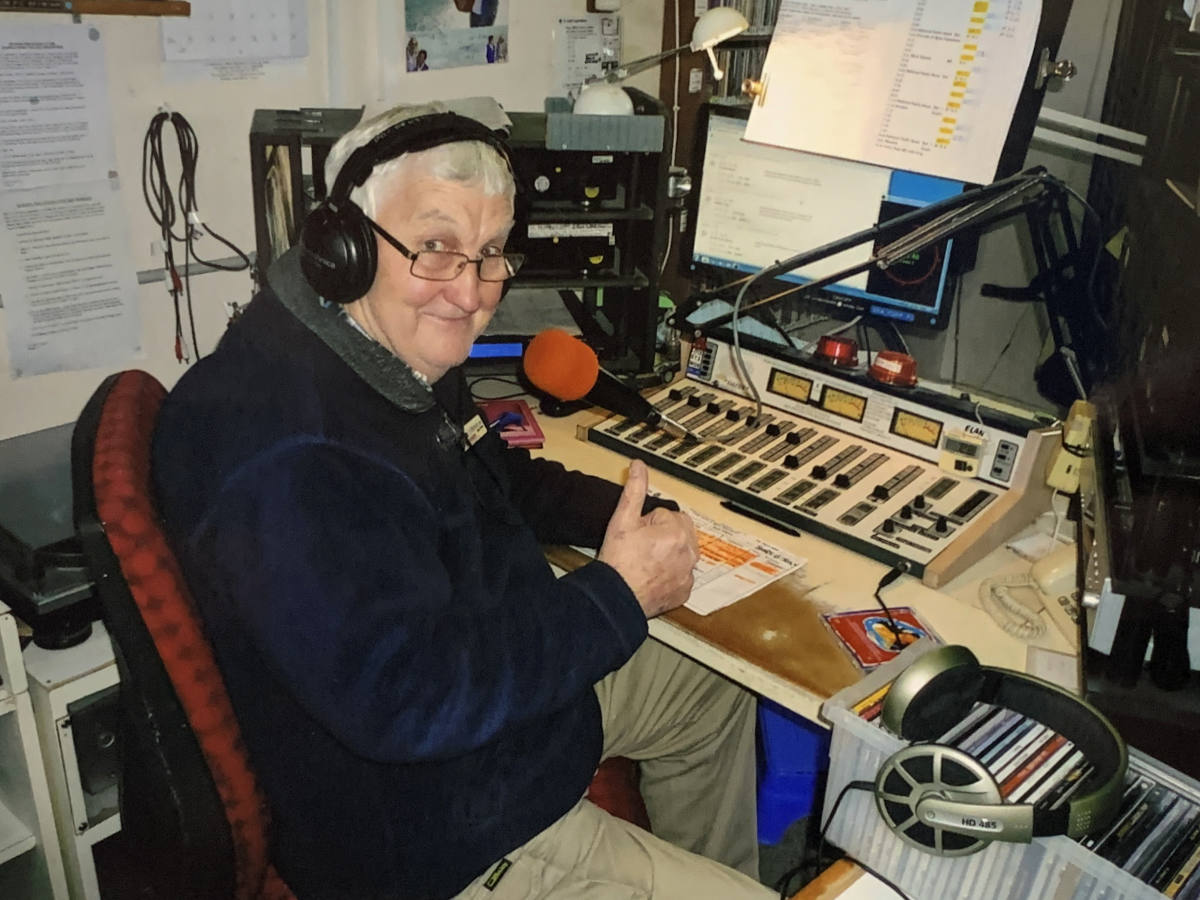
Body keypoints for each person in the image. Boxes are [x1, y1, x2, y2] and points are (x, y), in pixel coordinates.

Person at [152, 101, 772, 900]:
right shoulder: (290, 456)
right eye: (436, 248)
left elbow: (494, 472)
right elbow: (409, 699)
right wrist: (617, 595)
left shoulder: (377, 350)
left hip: (492, 703)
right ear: (344, 247)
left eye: (490, 253)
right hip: (440, 824)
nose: (471, 293)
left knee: (709, 685)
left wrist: (627, 514)